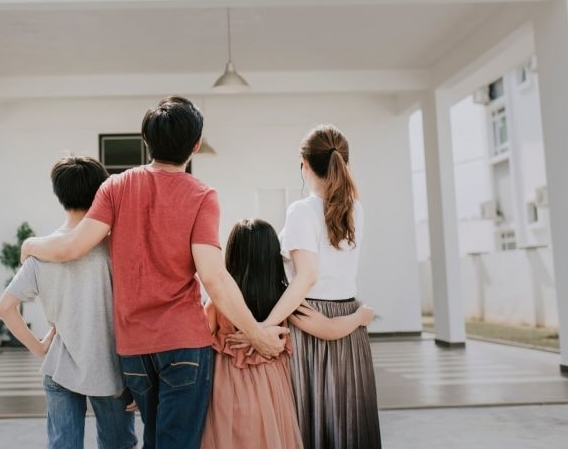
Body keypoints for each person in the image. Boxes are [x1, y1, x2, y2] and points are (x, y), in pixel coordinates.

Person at [20, 95, 287, 449]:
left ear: (146, 141)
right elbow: (214, 277)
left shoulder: (115, 186)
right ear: (195, 145)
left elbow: (72, 247)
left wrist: (31, 245)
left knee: (155, 440)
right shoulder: (202, 195)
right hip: (184, 344)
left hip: (133, 349)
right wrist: (256, 334)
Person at [249, 124, 381, 448]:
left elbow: (306, 277)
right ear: (344, 163)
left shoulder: (301, 211)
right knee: (348, 417)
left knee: (311, 419)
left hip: (310, 318)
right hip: (349, 319)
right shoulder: (356, 208)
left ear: (304, 164)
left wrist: (264, 325)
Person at [0, 156, 137, 449]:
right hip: (111, 370)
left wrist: (39, 347)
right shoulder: (115, 248)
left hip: (60, 366)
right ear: (101, 191)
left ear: (59, 195)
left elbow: (5, 308)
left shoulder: (42, 252)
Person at [201, 218, 305, 449]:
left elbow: (199, 338)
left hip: (227, 381)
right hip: (271, 384)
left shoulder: (220, 301)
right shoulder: (283, 297)